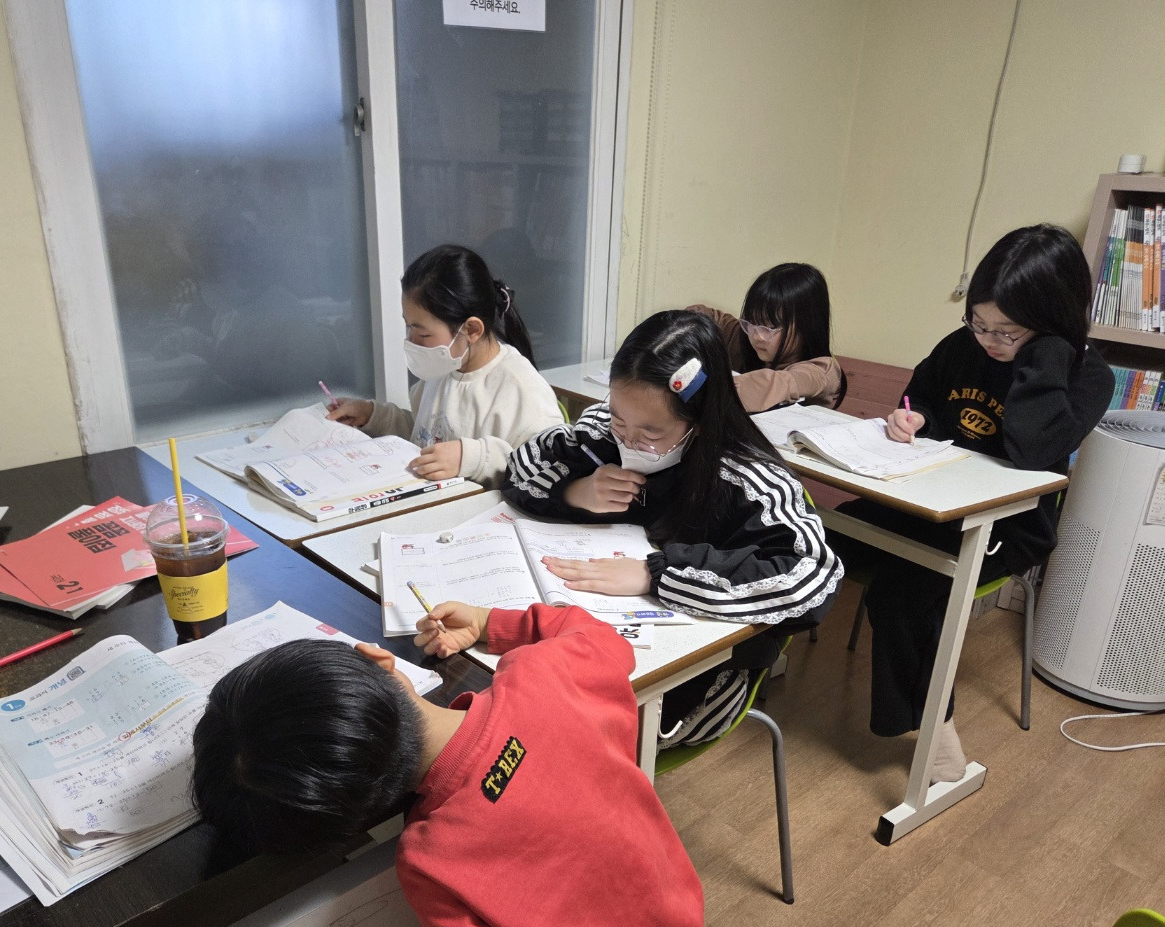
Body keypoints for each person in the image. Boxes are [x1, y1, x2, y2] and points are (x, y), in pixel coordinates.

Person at [191, 602, 709, 927]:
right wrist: (486, 621)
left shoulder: (432, 863)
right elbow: (597, 633)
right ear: (378, 661)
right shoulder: (547, 676)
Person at [831, 224, 1115, 783]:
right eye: (978, 323)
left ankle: (934, 731)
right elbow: (921, 395)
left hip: (1011, 524)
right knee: (824, 537)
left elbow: (1035, 451)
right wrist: (912, 418)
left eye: (1007, 332)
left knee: (905, 589)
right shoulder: (962, 345)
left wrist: (1045, 355)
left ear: (1052, 321)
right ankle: (744, 668)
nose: (988, 341)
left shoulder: (1087, 376)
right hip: (926, 502)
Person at [503, 310, 843, 748]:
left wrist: (659, 574)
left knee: (559, 735)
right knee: (523, 699)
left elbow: (812, 576)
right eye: (619, 420)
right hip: (591, 634)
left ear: (698, 421)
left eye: (651, 433)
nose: (628, 440)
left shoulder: (745, 479)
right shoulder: (606, 432)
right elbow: (523, 464)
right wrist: (573, 492)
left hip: (700, 678)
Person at [327, 244, 565, 487]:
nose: (411, 341)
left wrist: (473, 459)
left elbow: (550, 470)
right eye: (409, 327)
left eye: (423, 334)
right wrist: (373, 415)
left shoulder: (521, 389)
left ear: (471, 329)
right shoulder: (443, 369)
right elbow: (424, 434)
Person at [687, 262, 845, 413]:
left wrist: (697, 389)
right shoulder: (748, 338)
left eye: (770, 327)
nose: (757, 336)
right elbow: (714, 319)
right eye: (751, 322)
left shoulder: (820, 371)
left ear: (807, 326)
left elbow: (776, 384)